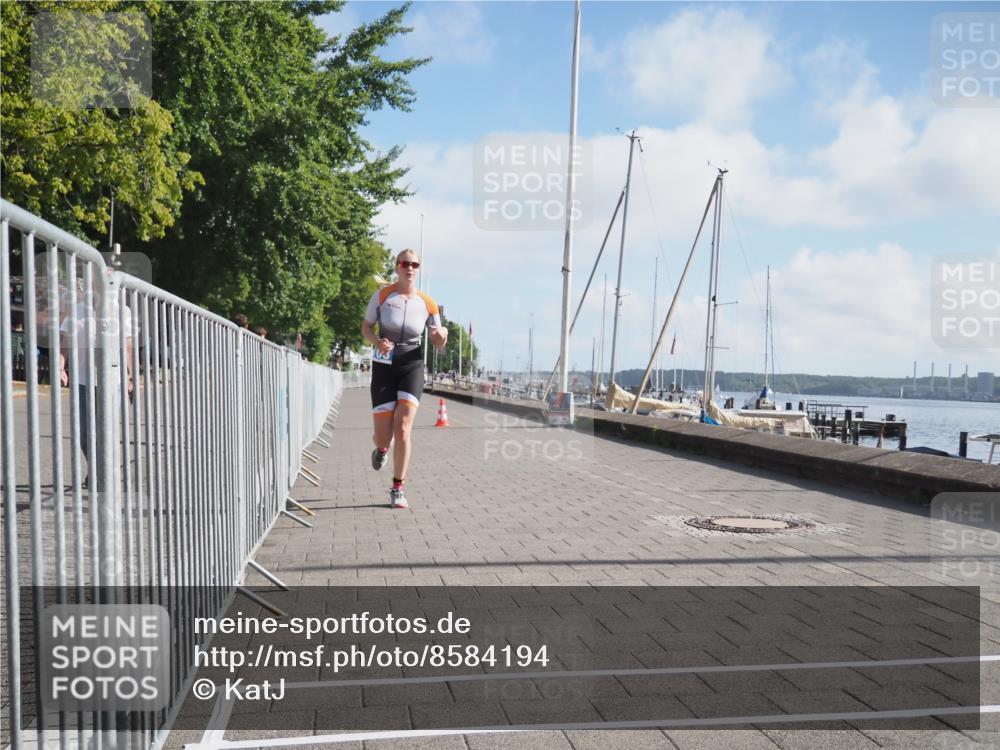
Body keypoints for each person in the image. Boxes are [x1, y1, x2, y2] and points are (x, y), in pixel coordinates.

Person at [361, 249, 447, 509]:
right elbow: (366, 327)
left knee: (404, 427)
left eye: (415, 264)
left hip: (412, 362)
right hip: (384, 363)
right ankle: (382, 450)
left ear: (418, 269)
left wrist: (441, 335)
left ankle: (397, 488)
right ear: (397, 267)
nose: (410, 268)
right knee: (384, 437)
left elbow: (438, 335)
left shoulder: (427, 302)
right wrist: (377, 341)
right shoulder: (383, 295)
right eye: (405, 263)